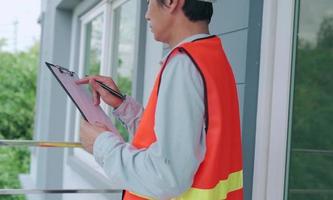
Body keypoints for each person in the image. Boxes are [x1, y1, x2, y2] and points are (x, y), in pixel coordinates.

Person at [77, 0, 243, 199]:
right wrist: (123, 106)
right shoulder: (211, 56)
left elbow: (166, 177)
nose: (147, 14)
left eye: (148, 2)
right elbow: (176, 144)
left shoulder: (183, 64)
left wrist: (100, 144)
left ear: (172, 2)